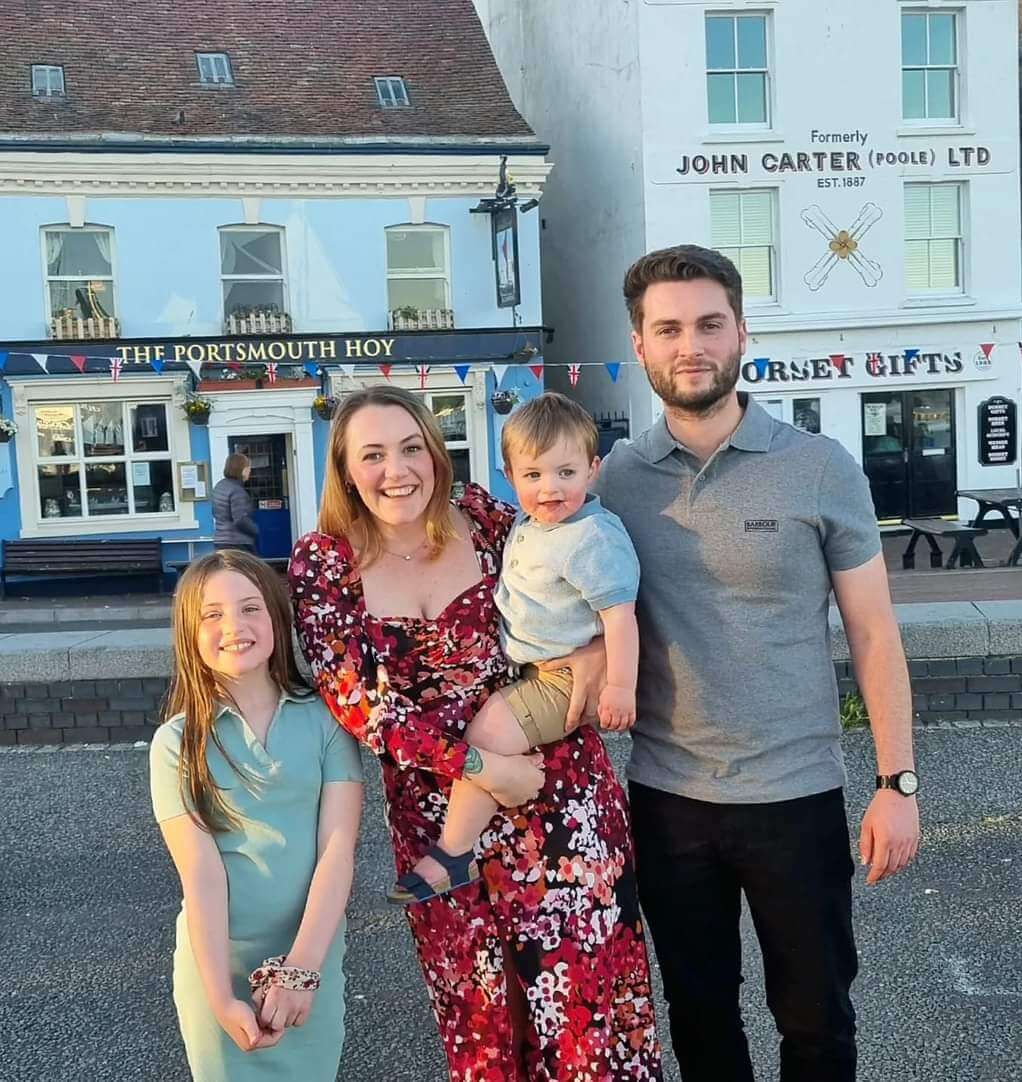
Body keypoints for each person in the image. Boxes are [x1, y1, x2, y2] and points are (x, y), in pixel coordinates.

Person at [593, 245, 921, 1082]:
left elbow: (875, 635)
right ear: (639, 344)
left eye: (709, 323)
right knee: (699, 1022)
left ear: (742, 331)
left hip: (796, 797)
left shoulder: (819, 468)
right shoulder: (615, 481)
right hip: (669, 801)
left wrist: (898, 783)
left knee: (816, 1022)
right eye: (668, 328)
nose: (690, 344)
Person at [289, 384, 663, 1080]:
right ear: (344, 470)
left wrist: (593, 658)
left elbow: (593, 591)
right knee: (483, 1025)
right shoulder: (324, 563)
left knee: (586, 1017)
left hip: (559, 797)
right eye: (372, 455)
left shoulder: (491, 519)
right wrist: (484, 769)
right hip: (442, 829)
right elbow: (359, 705)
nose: (396, 469)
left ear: (436, 454)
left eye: (410, 448)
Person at [389, 391, 640, 905]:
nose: (550, 489)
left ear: (593, 471)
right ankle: (460, 847)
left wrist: (619, 685)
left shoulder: (590, 537)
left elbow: (622, 616)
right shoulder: (529, 523)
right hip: (536, 670)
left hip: (561, 678)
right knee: (491, 730)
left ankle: (453, 852)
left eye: (565, 473)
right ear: (509, 475)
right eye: (534, 476)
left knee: (489, 731)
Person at [149, 550, 363, 1081]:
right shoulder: (177, 742)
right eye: (212, 614)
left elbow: (337, 852)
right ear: (189, 634)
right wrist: (221, 997)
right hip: (220, 964)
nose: (234, 627)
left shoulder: (327, 720)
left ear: (276, 617)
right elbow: (201, 876)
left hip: (311, 957)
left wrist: (302, 969)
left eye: (250, 608)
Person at [213, 452, 259, 554]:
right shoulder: (237, 491)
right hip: (238, 542)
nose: (250, 471)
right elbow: (240, 520)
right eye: (248, 467)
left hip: (220, 540)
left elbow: (215, 512)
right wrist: (256, 530)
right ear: (242, 469)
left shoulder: (219, 486)